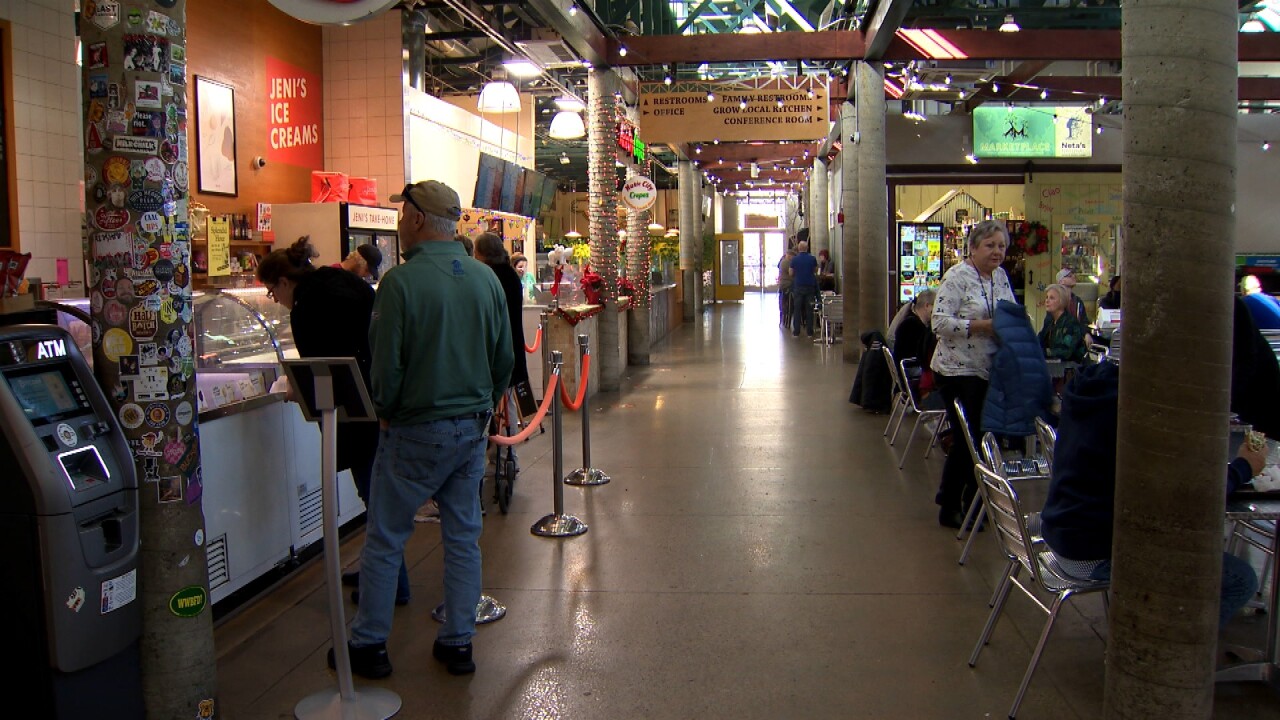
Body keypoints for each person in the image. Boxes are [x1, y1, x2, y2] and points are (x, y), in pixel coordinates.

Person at [334, 180, 513, 680]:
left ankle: (369, 643)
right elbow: (504, 359)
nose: (397, 222)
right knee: (463, 536)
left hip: (413, 428)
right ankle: (458, 642)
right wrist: (484, 402)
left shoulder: (400, 283)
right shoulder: (486, 281)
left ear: (415, 219)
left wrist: (386, 409)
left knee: (387, 535)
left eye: (401, 213)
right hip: (470, 430)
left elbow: (385, 367)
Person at [1039, 361, 1262, 629]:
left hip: (1061, 536)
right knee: (1240, 578)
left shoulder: (1096, 392)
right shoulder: (1136, 415)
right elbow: (1191, 501)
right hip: (1095, 555)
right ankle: (1175, 652)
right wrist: (1243, 468)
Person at [256, 238, 408, 606]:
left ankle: (391, 585)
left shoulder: (307, 306)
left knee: (373, 494)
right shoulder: (344, 282)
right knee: (378, 494)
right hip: (383, 398)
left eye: (272, 290)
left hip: (355, 410)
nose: (274, 298)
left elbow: (322, 367)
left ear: (285, 281)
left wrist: (300, 388)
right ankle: (381, 571)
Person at [931, 220, 1017, 528]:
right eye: (990, 245)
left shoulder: (1001, 277)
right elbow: (939, 323)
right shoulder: (957, 278)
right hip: (957, 369)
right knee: (970, 439)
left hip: (989, 369)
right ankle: (952, 502)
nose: (997, 252)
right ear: (973, 248)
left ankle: (969, 500)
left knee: (983, 439)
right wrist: (981, 326)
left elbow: (1008, 312)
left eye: (1002, 246)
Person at [475, 232, 529, 451]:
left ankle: (500, 451)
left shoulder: (487, 277)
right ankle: (508, 454)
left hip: (495, 351)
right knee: (508, 403)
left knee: (498, 403)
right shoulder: (511, 275)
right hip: (513, 346)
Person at [1038, 283, 1088, 361]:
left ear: (1061, 301)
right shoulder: (1049, 321)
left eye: (1052, 298)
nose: (1047, 301)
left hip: (1073, 367)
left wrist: (1043, 352)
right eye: (1047, 297)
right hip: (1055, 365)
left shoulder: (1070, 323)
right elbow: (1039, 340)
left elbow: (1066, 352)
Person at [789, 240, 819, 337]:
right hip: (810, 286)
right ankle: (809, 332)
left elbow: (791, 273)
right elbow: (815, 270)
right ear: (807, 248)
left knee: (797, 309)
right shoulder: (812, 259)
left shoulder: (794, 260)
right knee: (809, 309)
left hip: (798, 286)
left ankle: (796, 331)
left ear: (799, 248)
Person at [777, 246, 797, 328]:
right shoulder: (787, 262)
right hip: (788, 285)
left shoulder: (782, 261)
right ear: (789, 255)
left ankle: (784, 316)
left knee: (783, 300)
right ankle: (792, 314)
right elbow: (792, 274)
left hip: (782, 285)